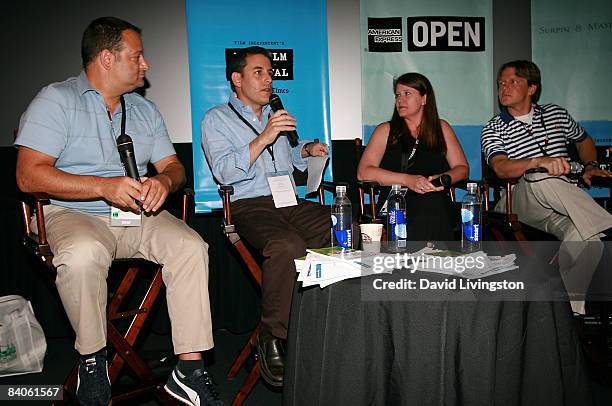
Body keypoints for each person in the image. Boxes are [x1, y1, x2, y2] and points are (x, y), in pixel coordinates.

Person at [14, 17, 223, 406]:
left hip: (133, 214)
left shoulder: (145, 111)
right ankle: (93, 361)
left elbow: (173, 167)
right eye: (138, 55)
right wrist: (103, 187)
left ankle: (189, 371)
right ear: (107, 58)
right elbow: (27, 176)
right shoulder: (56, 100)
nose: (146, 65)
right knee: (83, 254)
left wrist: (163, 182)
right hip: (71, 213)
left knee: (191, 247)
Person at [201, 46, 331, 387]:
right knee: (286, 246)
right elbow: (226, 172)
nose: (269, 78)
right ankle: (273, 335)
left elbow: (286, 159)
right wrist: (266, 135)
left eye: (270, 72)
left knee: (336, 227)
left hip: (288, 200)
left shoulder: (275, 114)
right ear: (237, 78)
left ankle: (316, 317)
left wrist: (305, 151)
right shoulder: (216, 119)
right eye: (259, 72)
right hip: (250, 204)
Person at [481, 59, 612, 314]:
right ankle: (609, 223)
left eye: (512, 82)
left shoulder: (556, 114)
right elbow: (500, 168)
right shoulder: (494, 127)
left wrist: (590, 165)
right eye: (500, 84)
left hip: (562, 202)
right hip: (521, 199)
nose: (503, 88)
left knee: (589, 238)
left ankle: (570, 314)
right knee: (539, 176)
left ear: (532, 88)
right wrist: (538, 161)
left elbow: (584, 141)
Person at [357, 72, 469, 241]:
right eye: (397, 95)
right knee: (427, 205)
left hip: (435, 197)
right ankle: (428, 261)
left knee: (432, 202)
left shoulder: (441, 128)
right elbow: (363, 172)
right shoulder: (385, 130)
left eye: (407, 94)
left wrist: (443, 179)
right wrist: (408, 180)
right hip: (396, 201)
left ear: (424, 99)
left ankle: (430, 262)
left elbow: (462, 169)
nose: (400, 100)